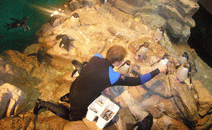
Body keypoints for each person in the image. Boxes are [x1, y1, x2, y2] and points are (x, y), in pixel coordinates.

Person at [33, 45, 167, 121]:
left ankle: (67, 98)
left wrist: (105, 85)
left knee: (86, 92)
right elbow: (138, 81)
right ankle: (43, 104)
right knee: (72, 117)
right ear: (117, 63)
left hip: (75, 87)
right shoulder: (113, 76)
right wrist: (157, 71)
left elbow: (94, 74)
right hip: (80, 99)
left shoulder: (96, 56)